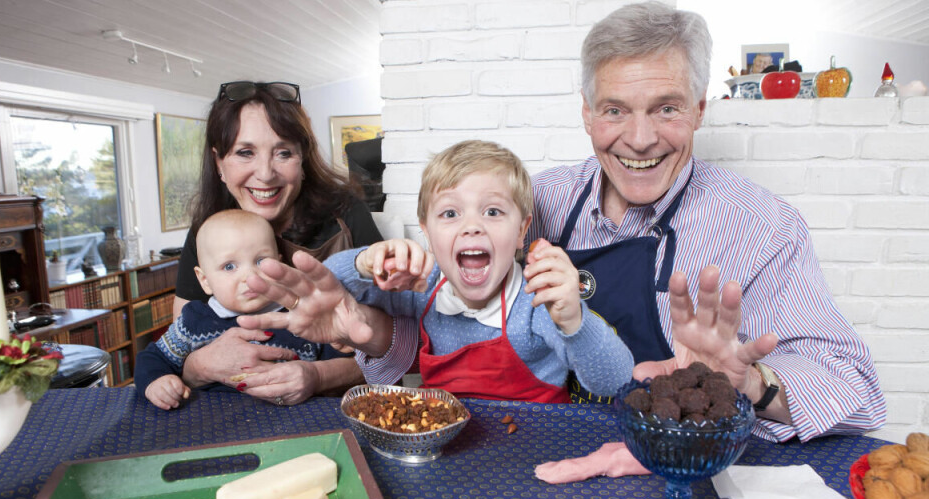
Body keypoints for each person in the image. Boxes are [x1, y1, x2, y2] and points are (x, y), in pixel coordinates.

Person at [237, 2, 886, 444]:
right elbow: (434, 313)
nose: (639, 139)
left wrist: (751, 383)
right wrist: (365, 297)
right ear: (584, 112)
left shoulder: (762, 225)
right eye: (614, 110)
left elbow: (856, 391)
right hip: (538, 447)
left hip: (692, 463)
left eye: (664, 108)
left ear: (699, 107)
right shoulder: (529, 204)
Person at [323, 140, 634, 403]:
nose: (472, 226)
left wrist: (573, 320)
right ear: (427, 233)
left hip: (537, 449)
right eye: (450, 213)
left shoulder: (536, 301)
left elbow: (614, 381)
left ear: (521, 231)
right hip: (446, 446)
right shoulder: (422, 286)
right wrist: (365, 262)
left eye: (493, 211)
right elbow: (326, 287)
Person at [172, 81, 382, 405]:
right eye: (245, 153)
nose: (266, 174)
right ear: (218, 164)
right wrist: (200, 366)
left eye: (283, 152)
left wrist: (318, 376)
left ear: (302, 160)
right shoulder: (206, 230)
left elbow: (395, 346)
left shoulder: (347, 216)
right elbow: (179, 349)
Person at [137, 210, 346, 410]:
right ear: (204, 280)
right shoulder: (194, 320)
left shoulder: (301, 316)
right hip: (213, 426)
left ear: (280, 265)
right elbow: (153, 358)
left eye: (261, 261)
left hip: (292, 424)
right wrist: (158, 382)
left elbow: (339, 364)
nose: (250, 277)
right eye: (229, 267)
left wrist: (341, 341)